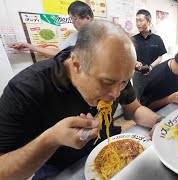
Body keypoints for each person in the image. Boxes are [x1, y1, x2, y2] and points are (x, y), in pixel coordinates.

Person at [0, 20, 162, 180]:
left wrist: (158, 121)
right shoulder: (26, 89)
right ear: (77, 64)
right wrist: (51, 139)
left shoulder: (116, 73)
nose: (115, 93)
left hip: (108, 146)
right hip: (58, 166)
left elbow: (135, 109)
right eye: (107, 82)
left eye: (125, 82)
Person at [9, 1, 93, 57]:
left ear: (87, 18)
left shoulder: (103, 35)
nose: (72, 22)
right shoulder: (73, 36)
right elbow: (58, 53)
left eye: (75, 19)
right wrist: (30, 46)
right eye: (71, 19)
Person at [132, 9, 167, 100]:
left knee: (152, 97)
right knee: (137, 97)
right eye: (136, 20)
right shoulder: (133, 39)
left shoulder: (157, 39)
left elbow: (160, 57)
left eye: (141, 20)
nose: (138, 23)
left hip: (153, 73)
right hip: (138, 75)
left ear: (148, 22)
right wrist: (135, 62)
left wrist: (151, 66)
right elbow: (129, 56)